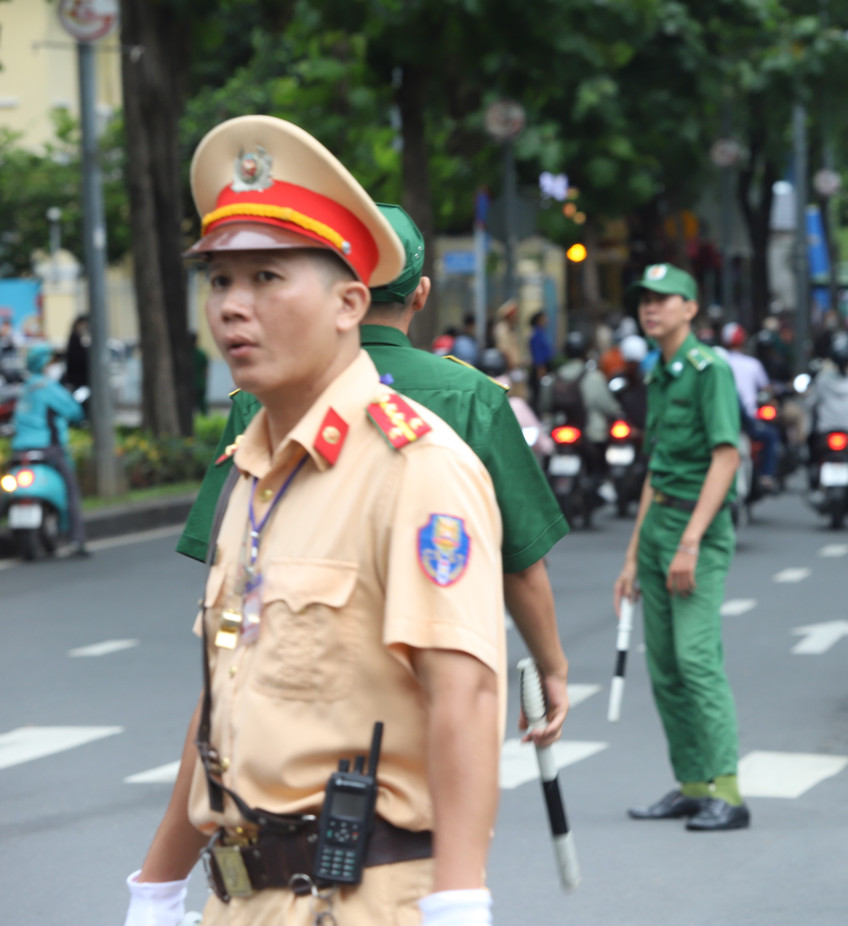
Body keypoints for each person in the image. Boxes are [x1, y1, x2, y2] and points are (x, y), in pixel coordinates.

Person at [126, 115, 506, 926]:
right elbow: (225, 700)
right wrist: (155, 888)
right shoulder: (251, 471)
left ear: (349, 303)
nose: (233, 307)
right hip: (240, 899)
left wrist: (459, 903)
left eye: (267, 277)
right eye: (219, 280)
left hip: (358, 899)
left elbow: (467, 696)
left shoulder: (415, 467)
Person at [178, 201, 572, 748]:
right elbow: (521, 562)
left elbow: (226, 560)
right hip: (424, 690)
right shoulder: (473, 398)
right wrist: (552, 666)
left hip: (285, 689)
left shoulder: (262, 398)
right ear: (421, 294)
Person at [612, 263, 748, 832]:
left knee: (695, 659)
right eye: (645, 298)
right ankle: (693, 785)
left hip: (698, 529)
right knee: (665, 666)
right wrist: (632, 556)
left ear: (690, 309)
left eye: (664, 298)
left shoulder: (708, 370)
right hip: (658, 526)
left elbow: (726, 456)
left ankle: (729, 792)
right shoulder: (659, 371)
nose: (652, 307)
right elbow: (657, 469)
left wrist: (690, 541)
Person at [11, 342, 87, 555]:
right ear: (45, 363)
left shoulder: (25, 388)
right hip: (48, 449)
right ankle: (76, 540)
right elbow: (74, 411)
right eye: (52, 360)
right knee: (71, 489)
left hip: (19, 452)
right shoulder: (48, 387)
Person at [718, 322, 780, 492]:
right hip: (745, 419)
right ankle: (767, 475)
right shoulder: (751, 364)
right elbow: (767, 390)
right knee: (771, 436)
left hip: (728, 418)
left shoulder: (720, 361)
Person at [62, 314, 91, 396]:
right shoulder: (75, 339)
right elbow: (78, 359)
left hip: (78, 379)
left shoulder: (79, 338)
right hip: (77, 380)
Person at [528, 312, 553, 399]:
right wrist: (541, 371)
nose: (546, 321)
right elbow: (538, 355)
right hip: (541, 368)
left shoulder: (542, 333)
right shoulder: (536, 335)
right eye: (544, 319)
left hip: (545, 366)